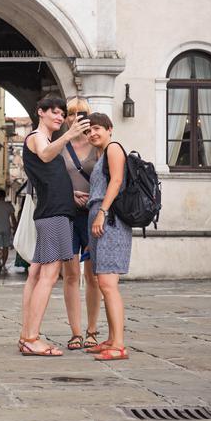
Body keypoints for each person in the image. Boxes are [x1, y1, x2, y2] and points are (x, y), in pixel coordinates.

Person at [18, 94, 89, 356]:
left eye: (62, 113)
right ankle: (32, 338)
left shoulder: (46, 139)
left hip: (54, 210)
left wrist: (70, 195)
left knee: (36, 275)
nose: (59, 117)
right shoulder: (38, 137)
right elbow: (46, 156)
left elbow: (49, 177)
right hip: (55, 215)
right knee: (48, 275)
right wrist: (69, 135)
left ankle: (26, 335)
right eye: (55, 112)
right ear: (41, 113)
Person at [84, 113, 132, 361]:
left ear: (109, 129)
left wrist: (102, 211)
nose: (92, 133)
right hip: (99, 217)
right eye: (88, 131)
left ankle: (119, 345)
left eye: (96, 129)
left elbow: (116, 181)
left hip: (110, 220)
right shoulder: (100, 154)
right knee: (102, 282)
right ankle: (112, 339)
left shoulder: (113, 148)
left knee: (107, 284)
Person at [61, 97, 101, 351]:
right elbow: (51, 179)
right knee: (71, 274)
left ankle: (93, 330)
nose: (76, 116)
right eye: (71, 112)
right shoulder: (61, 144)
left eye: (81, 112)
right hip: (68, 214)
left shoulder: (98, 144)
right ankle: (76, 332)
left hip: (93, 214)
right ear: (65, 117)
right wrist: (70, 194)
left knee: (94, 276)